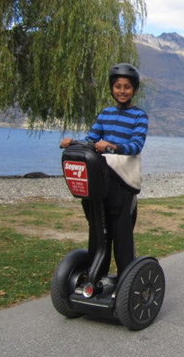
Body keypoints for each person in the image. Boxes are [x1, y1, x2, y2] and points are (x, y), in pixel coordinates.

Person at [60, 63, 148, 277]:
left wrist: (112, 146)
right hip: (101, 178)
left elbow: (136, 145)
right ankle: (96, 275)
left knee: (121, 234)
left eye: (127, 87)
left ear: (134, 90)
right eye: (118, 86)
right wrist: (73, 142)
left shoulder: (139, 116)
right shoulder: (105, 113)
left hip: (123, 180)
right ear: (111, 88)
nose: (122, 91)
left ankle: (126, 277)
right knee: (98, 230)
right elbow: (91, 140)